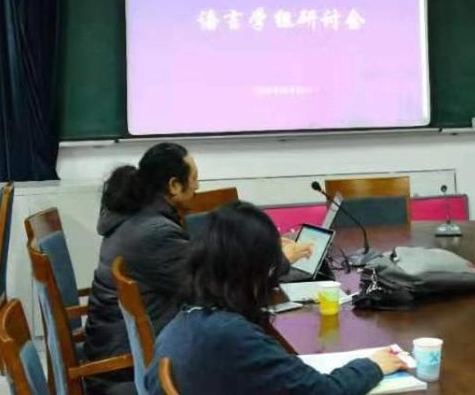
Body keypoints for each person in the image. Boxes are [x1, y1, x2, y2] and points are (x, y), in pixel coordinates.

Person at [84, 143, 312, 395]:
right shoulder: (155, 233)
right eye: (194, 179)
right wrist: (276, 260)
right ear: (174, 185)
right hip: (123, 368)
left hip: (117, 347)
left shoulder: (136, 217)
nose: (198, 186)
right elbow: (215, 286)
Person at [145, 201, 406, 395]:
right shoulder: (232, 336)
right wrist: (372, 366)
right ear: (257, 272)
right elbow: (324, 391)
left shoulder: (185, 320)